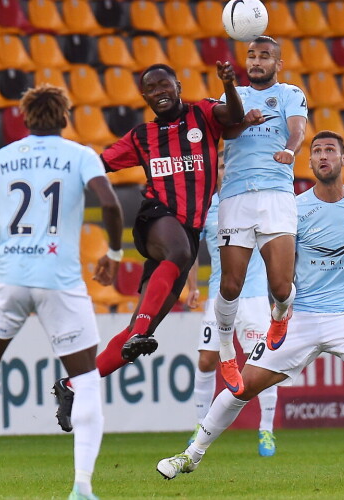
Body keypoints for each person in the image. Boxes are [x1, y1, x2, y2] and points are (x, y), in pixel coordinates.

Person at [156, 131, 344, 484]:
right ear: (310, 162)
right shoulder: (294, 209)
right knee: (243, 386)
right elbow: (281, 264)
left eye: (330, 150)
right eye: (316, 151)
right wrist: (280, 309)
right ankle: (190, 455)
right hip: (301, 315)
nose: (322, 156)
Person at [0, 84, 124, 500]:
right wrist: (114, 251)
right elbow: (110, 204)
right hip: (60, 283)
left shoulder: (1, 158)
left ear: (25, 119)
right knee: (86, 382)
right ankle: (82, 487)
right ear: (65, 118)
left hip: (9, 280)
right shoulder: (80, 155)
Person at [89, 62, 245, 379]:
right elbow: (99, 163)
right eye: (151, 88)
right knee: (179, 253)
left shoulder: (203, 114)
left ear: (178, 86)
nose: (159, 92)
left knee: (140, 321)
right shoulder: (142, 136)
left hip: (186, 233)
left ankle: (76, 385)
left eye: (164, 84)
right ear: (143, 96)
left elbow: (235, 118)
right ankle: (141, 332)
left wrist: (229, 84)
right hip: (156, 218)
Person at [213, 35, 308, 397]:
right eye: (251, 55)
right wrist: (244, 118)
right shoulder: (231, 95)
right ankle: (226, 353)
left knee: (282, 287)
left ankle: (280, 314)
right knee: (230, 286)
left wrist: (289, 149)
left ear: (277, 64)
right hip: (236, 195)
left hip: (276, 195)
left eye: (264, 56)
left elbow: (298, 128)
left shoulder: (290, 93)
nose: (256, 61)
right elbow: (227, 129)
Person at [190, 162, 279, 457]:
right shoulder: (207, 208)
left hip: (253, 298)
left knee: (263, 365)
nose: (223, 172)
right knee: (205, 361)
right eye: (219, 167)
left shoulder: (254, 203)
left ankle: (266, 429)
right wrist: (192, 286)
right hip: (219, 295)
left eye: (227, 167)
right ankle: (200, 426)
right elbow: (192, 250)